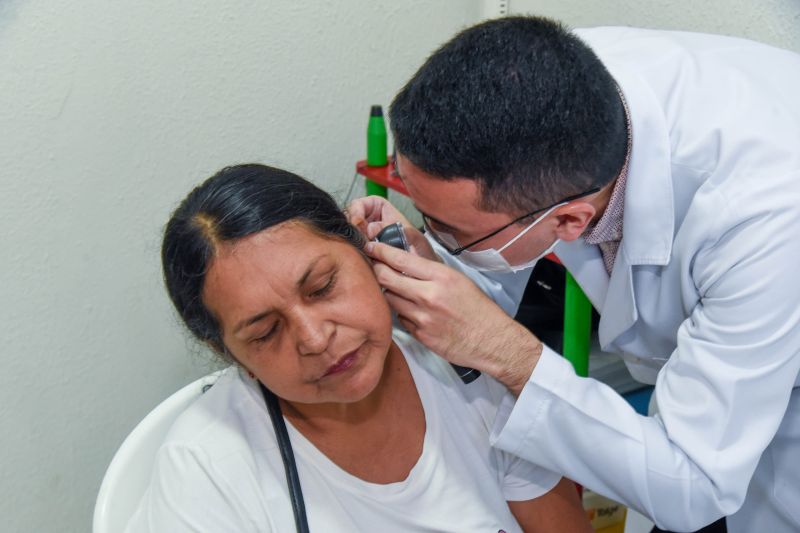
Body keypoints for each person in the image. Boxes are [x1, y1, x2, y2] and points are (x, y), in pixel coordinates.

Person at [348, 15, 800, 533]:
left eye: (451, 230)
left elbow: (695, 485)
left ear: (569, 221)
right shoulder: (548, 90)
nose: (433, 233)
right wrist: (430, 254)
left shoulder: (762, 219)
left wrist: (508, 353)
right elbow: (503, 246)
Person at [125, 164, 591, 532]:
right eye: (266, 332)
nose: (314, 339)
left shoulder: (468, 375)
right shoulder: (204, 470)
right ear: (230, 353)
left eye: (322, 287)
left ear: (368, 252)